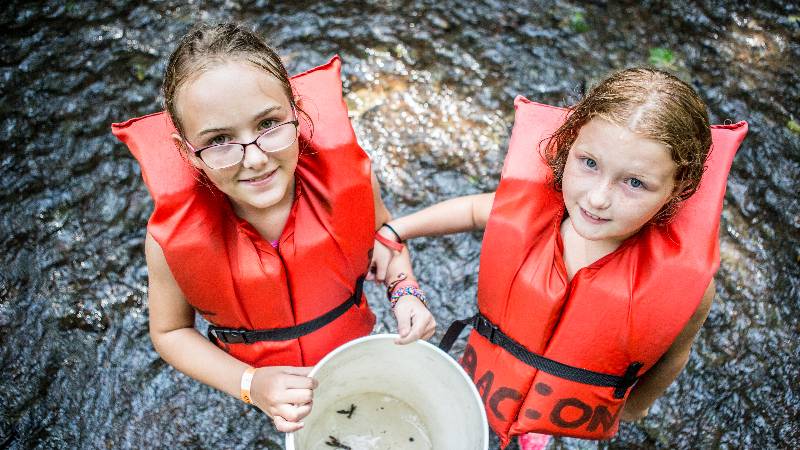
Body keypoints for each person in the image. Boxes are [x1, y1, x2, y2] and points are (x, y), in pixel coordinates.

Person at [371, 68, 747, 447]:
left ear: (678, 187)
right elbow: (472, 210)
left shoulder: (689, 286)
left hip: (560, 409)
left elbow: (674, 357)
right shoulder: (534, 214)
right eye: (589, 163)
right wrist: (397, 229)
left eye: (634, 182)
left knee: (533, 436)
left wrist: (636, 406)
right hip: (490, 376)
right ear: (570, 144)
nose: (598, 198)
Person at [112, 22, 435, 433]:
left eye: (268, 125)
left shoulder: (351, 182)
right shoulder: (168, 243)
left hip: (354, 354)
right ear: (187, 153)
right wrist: (251, 385)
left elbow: (386, 240)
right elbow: (171, 331)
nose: (256, 158)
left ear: (296, 113)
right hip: (263, 385)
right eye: (219, 140)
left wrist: (405, 291)